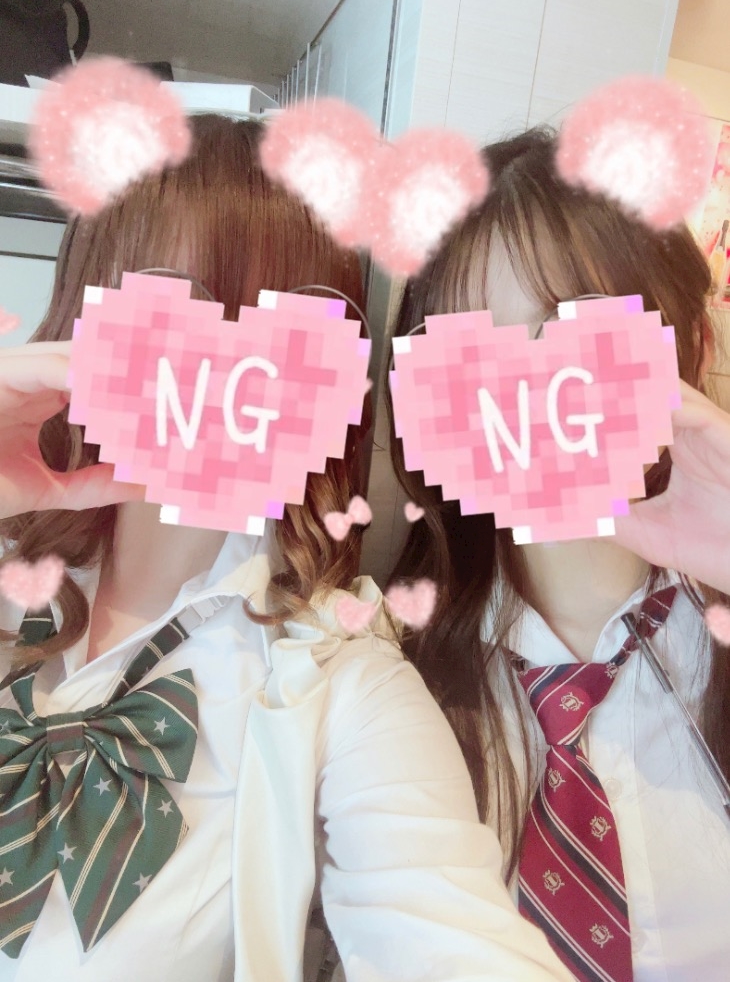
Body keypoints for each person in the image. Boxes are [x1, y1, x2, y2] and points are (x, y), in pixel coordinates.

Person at [0, 114, 572, 982]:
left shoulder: (339, 679)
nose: (224, 368)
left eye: (278, 335)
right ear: (89, 316)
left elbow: (448, 931)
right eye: (174, 311)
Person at [388, 126, 730, 981]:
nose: (527, 396)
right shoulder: (381, 674)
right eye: (474, 356)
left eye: (570, 337)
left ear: (689, 346)